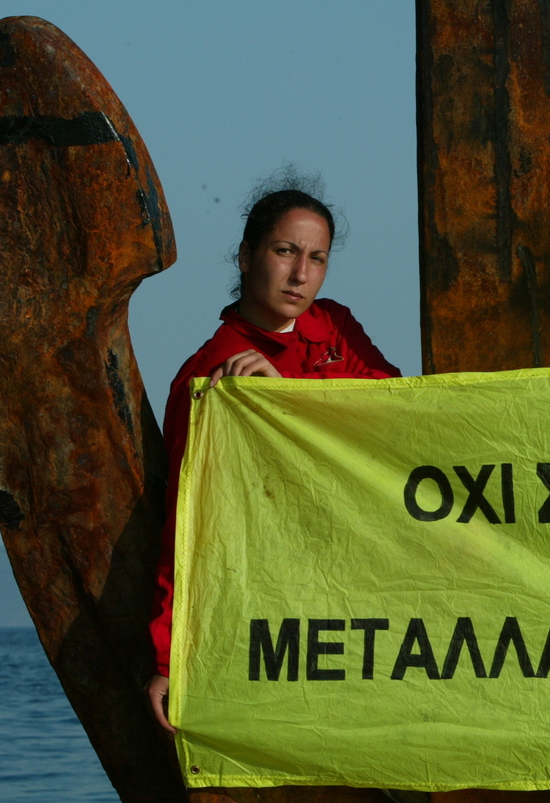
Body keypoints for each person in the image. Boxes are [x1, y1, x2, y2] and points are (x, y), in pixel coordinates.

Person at [146, 176, 400, 732]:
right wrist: (168, 659)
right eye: (285, 251)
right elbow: (190, 523)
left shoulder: (333, 325)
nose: (301, 274)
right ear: (245, 256)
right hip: (287, 602)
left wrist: (287, 393)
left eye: (317, 258)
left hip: (376, 578)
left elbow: (398, 414)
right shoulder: (209, 377)